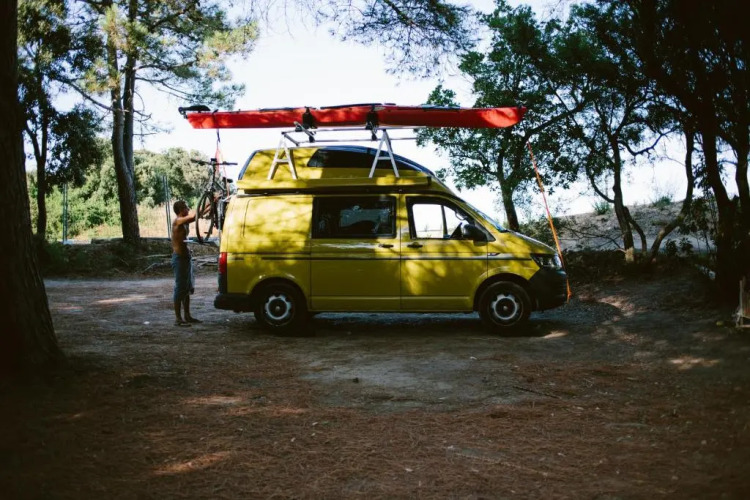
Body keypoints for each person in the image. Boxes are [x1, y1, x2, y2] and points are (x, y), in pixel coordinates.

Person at [171, 200, 201, 326]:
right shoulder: (177, 221)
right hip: (179, 259)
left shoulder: (184, 222)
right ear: (180, 210)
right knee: (180, 289)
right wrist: (205, 205)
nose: (188, 209)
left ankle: (187, 316)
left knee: (187, 288)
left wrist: (210, 205)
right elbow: (194, 216)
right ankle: (178, 319)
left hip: (185, 258)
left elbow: (197, 215)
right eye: (186, 207)